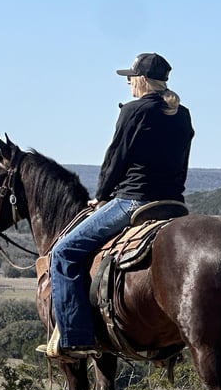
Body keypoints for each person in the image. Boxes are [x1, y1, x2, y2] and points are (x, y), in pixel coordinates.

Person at [46, 52, 195, 359]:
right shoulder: (182, 114)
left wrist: (101, 195)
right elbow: (183, 162)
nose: (128, 82)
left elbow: (116, 158)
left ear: (141, 80)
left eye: (130, 77)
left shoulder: (134, 110)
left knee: (63, 252)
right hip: (173, 203)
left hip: (133, 200)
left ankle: (75, 337)